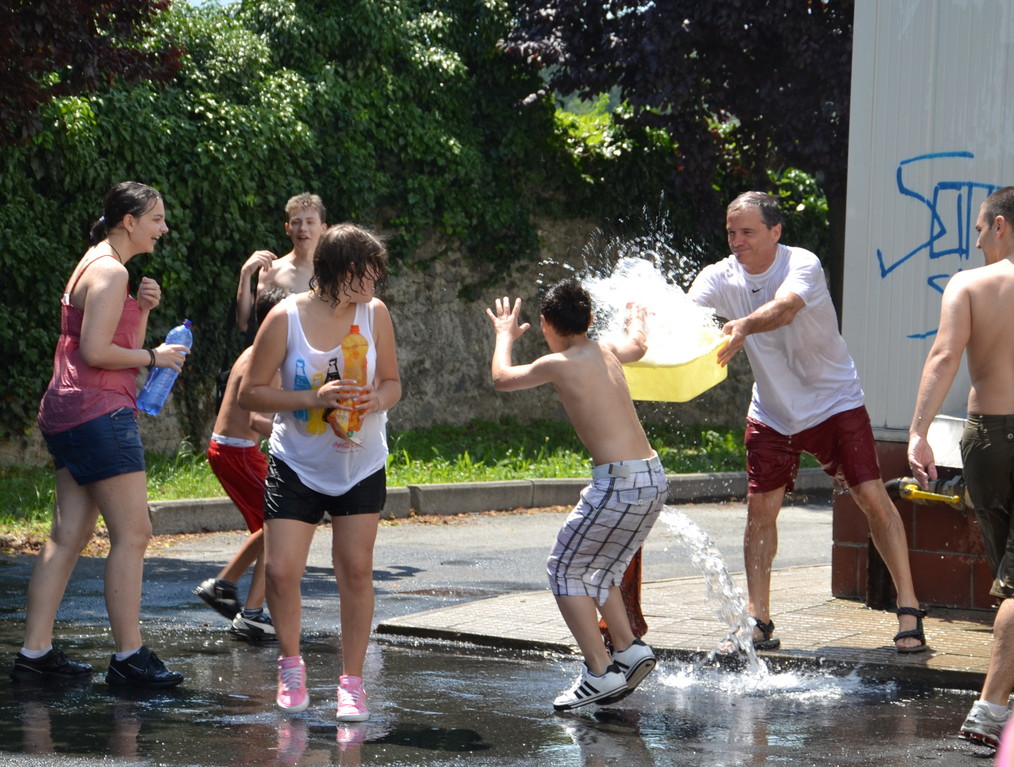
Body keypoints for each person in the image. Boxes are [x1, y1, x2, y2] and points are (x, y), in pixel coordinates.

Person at [688, 190, 926, 653]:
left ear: (775, 232)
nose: (737, 241)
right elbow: (684, 316)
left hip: (834, 402)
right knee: (760, 513)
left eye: (747, 232)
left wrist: (742, 325)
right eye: (731, 232)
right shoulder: (719, 276)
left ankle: (909, 606)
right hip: (773, 411)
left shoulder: (803, 263)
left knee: (871, 497)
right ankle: (758, 619)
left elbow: (787, 308)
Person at [10, 181, 187, 688]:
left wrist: (144, 310)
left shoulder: (96, 261)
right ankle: (130, 658)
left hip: (68, 410)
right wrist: (156, 356)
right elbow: (97, 352)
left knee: (67, 535)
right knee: (134, 533)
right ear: (129, 220)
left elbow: (108, 338)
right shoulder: (111, 271)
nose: (163, 227)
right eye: (156, 218)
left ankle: (35, 654)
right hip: (98, 412)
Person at [238, 223, 401, 720]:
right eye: (369, 272)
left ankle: (351, 683)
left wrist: (377, 398)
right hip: (298, 463)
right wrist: (313, 397)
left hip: (360, 462)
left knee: (355, 570)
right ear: (343, 272)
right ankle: (292, 666)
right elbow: (250, 392)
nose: (377, 282)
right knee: (282, 570)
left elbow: (393, 382)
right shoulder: (286, 318)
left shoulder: (375, 315)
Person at [486, 280, 667, 711]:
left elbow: (500, 378)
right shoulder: (604, 349)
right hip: (653, 478)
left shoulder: (558, 362)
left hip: (618, 484)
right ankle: (627, 648)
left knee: (563, 569)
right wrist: (636, 316)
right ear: (588, 321)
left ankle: (599, 672)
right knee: (599, 568)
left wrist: (504, 336)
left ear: (546, 325)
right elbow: (637, 346)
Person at [906, 186, 1014, 747]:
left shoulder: (970, 285)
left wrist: (919, 431)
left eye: (978, 228)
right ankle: (990, 711)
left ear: (1000, 224)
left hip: (986, 443)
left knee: (1010, 578)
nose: (974, 240)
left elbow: (944, 354)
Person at [195, 286, 287, 640]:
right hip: (238, 451)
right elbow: (256, 423)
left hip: (232, 450)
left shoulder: (254, 351)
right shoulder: (265, 358)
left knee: (274, 529)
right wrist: (297, 424)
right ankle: (228, 589)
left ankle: (246, 607)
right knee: (280, 523)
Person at [235, 193, 327, 335]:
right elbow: (245, 323)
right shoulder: (272, 270)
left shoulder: (334, 271)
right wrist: (245, 274)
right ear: (287, 228)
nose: (303, 228)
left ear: (323, 228)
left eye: (310, 222)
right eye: (296, 222)